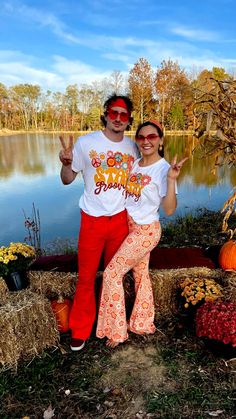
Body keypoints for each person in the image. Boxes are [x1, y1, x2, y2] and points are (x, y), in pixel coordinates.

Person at [96, 120, 188, 347]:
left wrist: (171, 180)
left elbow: (168, 209)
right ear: (137, 140)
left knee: (111, 274)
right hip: (128, 226)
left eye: (152, 137)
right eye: (141, 137)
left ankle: (116, 331)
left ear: (160, 140)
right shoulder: (135, 164)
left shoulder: (165, 169)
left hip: (146, 230)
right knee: (140, 276)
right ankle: (142, 322)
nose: (146, 141)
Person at [59, 94, 139, 351]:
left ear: (128, 120)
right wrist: (67, 163)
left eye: (123, 114)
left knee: (114, 277)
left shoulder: (133, 148)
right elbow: (67, 179)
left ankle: (113, 325)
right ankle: (80, 329)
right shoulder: (86, 143)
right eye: (113, 113)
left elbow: (145, 178)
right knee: (85, 278)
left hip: (120, 222)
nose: (118, 118)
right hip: (92, 221)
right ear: (105, 114)